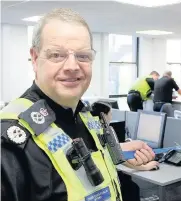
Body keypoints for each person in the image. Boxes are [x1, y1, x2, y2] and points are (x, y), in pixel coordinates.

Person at [1, 8, 155, 201]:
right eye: (57, 55)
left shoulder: (85, 117)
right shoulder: (9, 138)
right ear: (34, 58)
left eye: (83, 56)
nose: (72, 66)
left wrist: (119, 151)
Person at [91, 101, 160, 201]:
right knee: (131, 187)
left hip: (100, 181)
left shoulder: (95, 131)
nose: (111, 117)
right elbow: (119, 157)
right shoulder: (102, 133)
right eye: (111, 114)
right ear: (103, 115)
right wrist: (145, 167)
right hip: (105, 183)